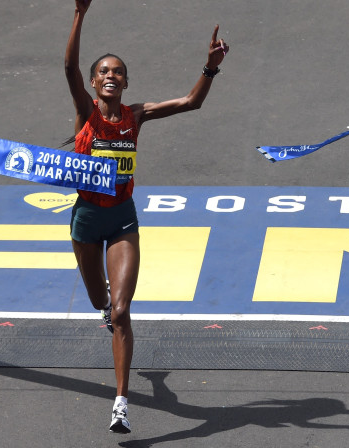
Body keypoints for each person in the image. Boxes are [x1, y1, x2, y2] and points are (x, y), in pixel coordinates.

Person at [64, 0, 228, 434]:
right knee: (101, 303)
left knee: (121, 312)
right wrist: (80, 14)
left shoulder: (136, 116)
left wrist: (209, 68)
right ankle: (102, 310)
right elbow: (69, 68)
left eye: (118, 71)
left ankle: (121, 402)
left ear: (126, 81)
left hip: (121, 221)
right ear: (96, 83)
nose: (111, 76)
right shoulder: (88, 113)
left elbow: (192, 102)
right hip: (86, 222)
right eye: (104, 72)